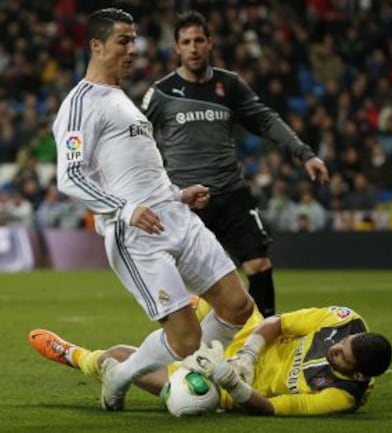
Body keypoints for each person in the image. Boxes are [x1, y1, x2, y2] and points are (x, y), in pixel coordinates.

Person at [51, 8, 254, 412]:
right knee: (185, 338)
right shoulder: (80, 104)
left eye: (134, 40)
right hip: (137, 233)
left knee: (238, 305)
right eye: (123, 41)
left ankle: (190, 372)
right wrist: (125, 210)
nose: (133, 50)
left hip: (175, 215)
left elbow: (136, 172)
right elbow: (69, 176)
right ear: (96, 45)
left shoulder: (122, 100)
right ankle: (120, 374)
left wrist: (179, 196)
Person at [140, 11, 330, 317]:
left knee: (259, 265)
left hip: (230, 193)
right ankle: (197, 349)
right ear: (176, 48)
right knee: (192, 283)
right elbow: (137, 139)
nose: (193, 48)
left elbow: (265, 119)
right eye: (186, 42)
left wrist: (305, 153)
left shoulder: (229, 85)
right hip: (185, 202)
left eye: (199, 40)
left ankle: (265, 338)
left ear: (210, 43)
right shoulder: (160, 92)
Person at [28, 302, 392, 416]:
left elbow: (270, 409)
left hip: (231, 389)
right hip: (247, 339)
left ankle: (76, 356)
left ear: (357, 375)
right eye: (344, 344)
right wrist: (249, 352)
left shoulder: (340, 396)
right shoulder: (342, 322)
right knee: (209, 295)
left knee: (124, 359)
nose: (336, 349)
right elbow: (277, 322)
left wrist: (231, 379)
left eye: (342, 358)